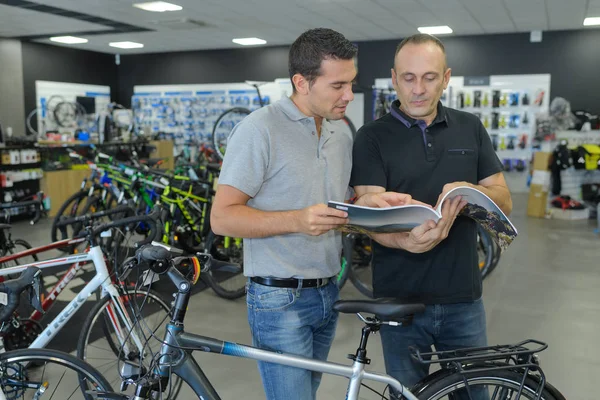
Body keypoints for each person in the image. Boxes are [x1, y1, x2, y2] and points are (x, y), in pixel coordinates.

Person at [211, 28, 413, 400]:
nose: (349, 96)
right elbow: (222, 218)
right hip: (278, 300)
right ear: (301, 82)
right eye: (337, 86)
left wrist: (367, 204)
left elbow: (336, 205)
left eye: (350, 83)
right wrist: (297, 220)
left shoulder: (340, 134)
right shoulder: (259, 130)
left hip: (328, 291)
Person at [351, 33, 512, 398]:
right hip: (399, 302)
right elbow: (369, 215)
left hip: (463, 299)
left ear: (446, 77)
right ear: (394, 78)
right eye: (409, 77)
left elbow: (504, 199)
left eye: (429, 77)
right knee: (408, 395)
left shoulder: (469, 126)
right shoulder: (371, 137)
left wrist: (472, 194)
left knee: (474, 394)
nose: (419, 89)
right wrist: (406, 241)